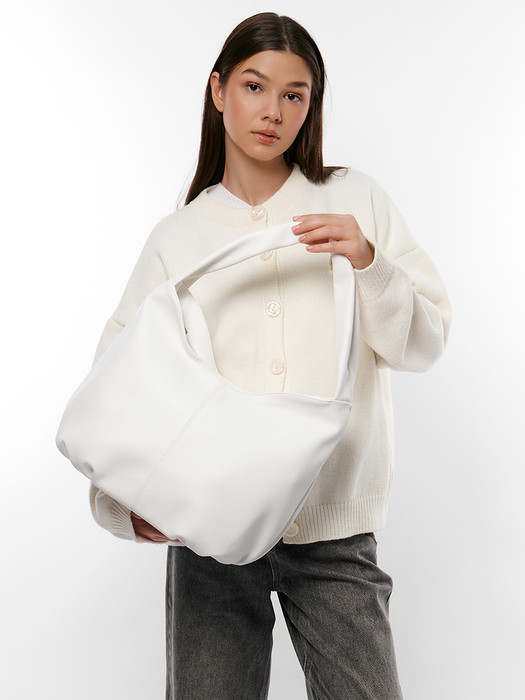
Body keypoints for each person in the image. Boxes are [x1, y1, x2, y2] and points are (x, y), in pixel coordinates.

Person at [88, 11, 451, 700]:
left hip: (336, 533)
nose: (273, 112)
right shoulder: (178, 237)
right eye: (254, 86)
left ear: (311, 105)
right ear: (218, 90)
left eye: (294, 94)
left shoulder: (355, 200)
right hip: (210, 537)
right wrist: (120, 506)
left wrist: (369, 262)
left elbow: (425, 342)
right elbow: (117, 387)